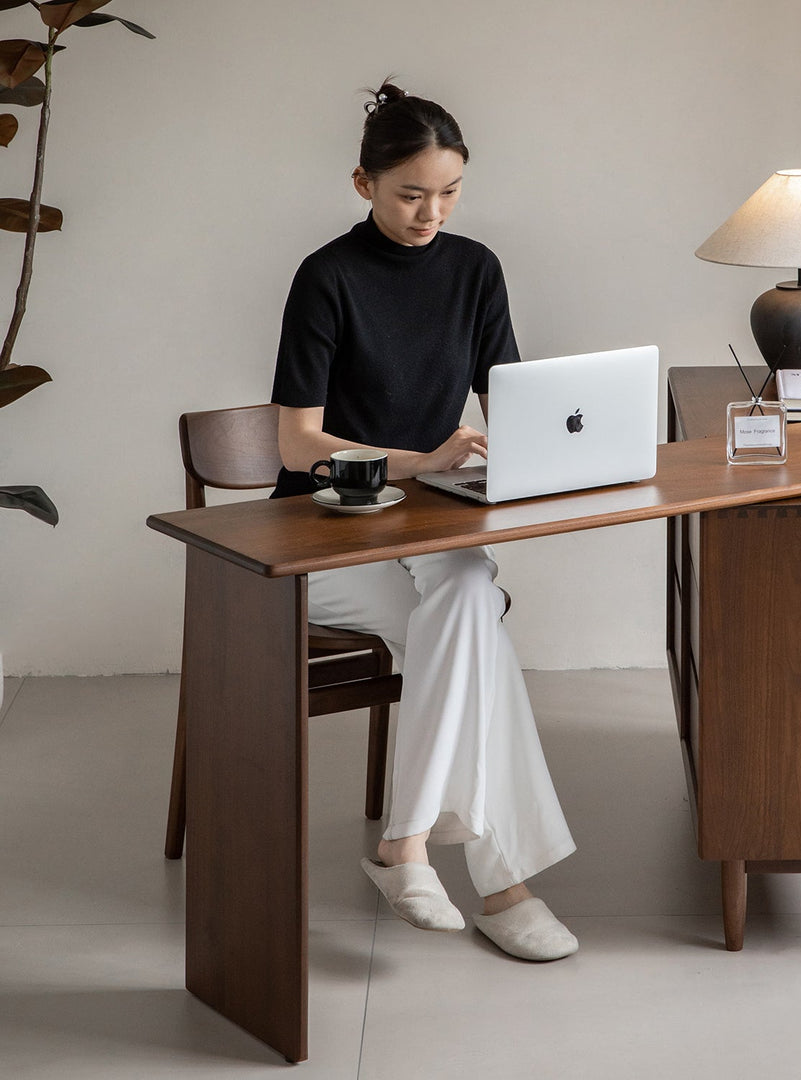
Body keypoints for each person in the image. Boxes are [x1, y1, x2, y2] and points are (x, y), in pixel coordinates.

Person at [269, 80, 578, 961]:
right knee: (475, 629)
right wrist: (417, 460)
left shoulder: (475, 269)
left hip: (430, 523)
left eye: (448, 192)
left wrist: (544, 450)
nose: (431, 213)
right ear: (363, 184)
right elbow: (297, 443)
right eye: (410, 194)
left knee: (468, 593)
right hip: (325, 530)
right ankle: (502, 886)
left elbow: (508, 401)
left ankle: (405, 847)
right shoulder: (327, 277)